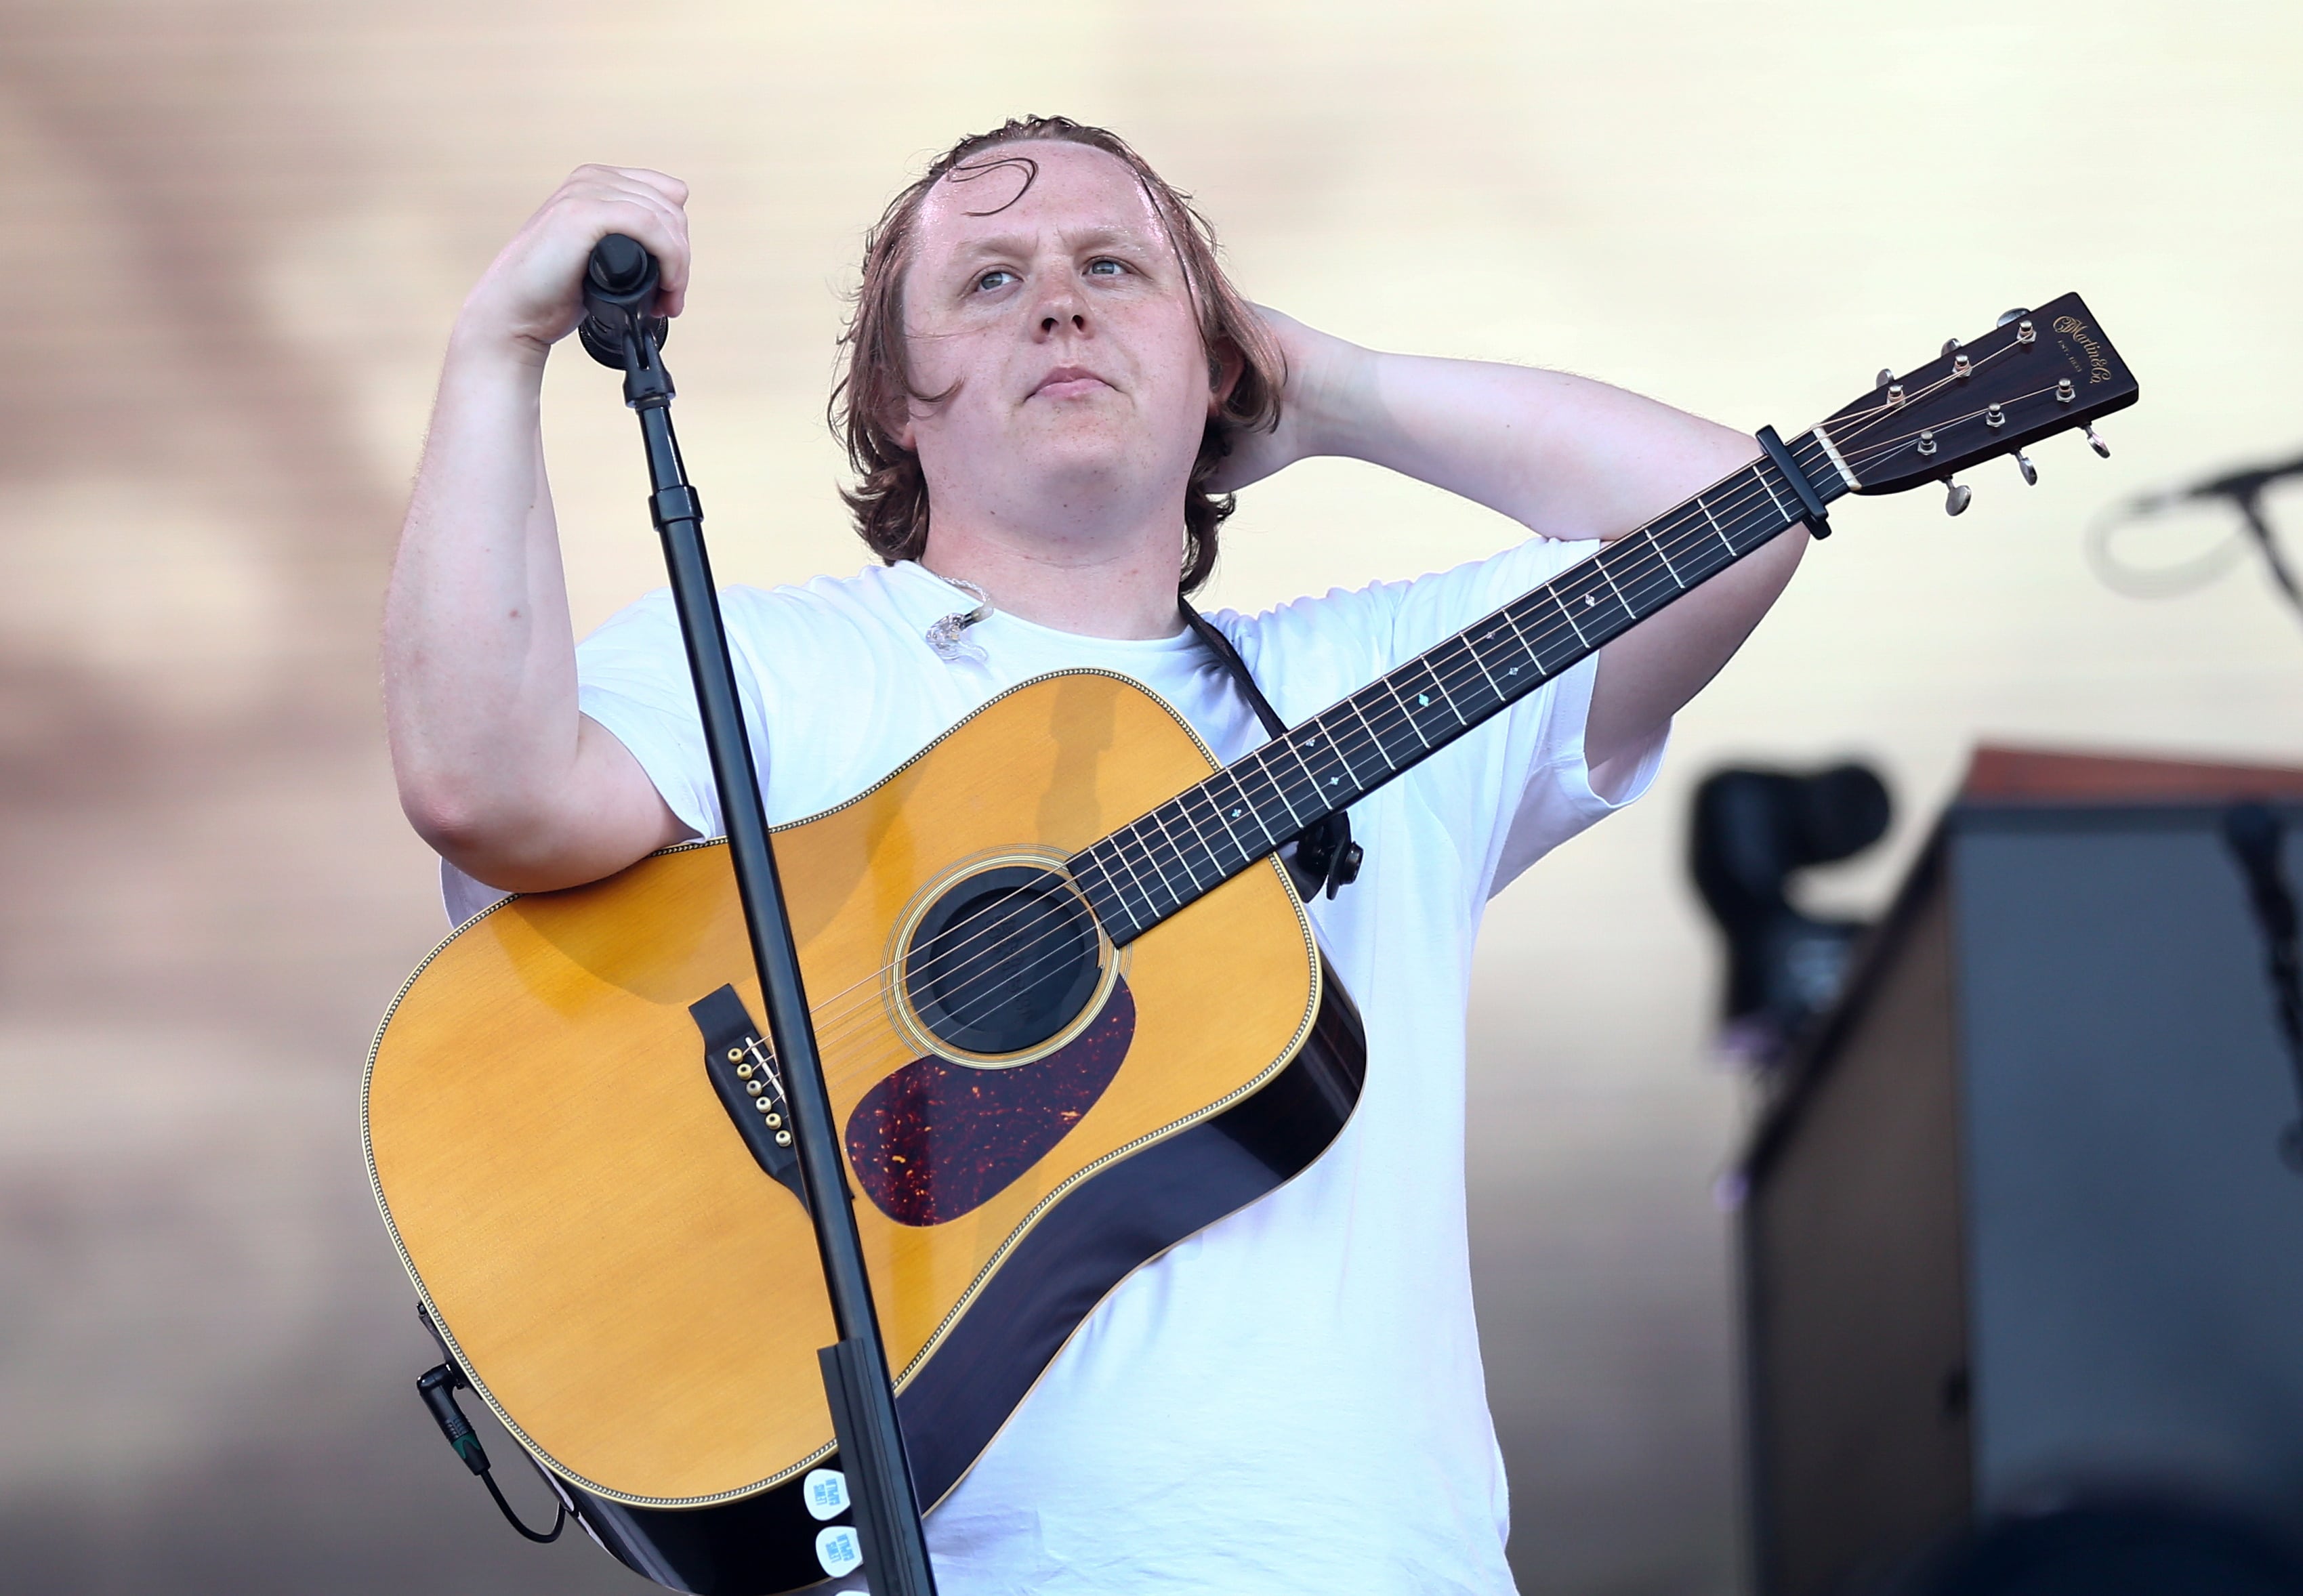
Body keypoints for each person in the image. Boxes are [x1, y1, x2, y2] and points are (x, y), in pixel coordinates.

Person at [383, 116, 1805, 1593]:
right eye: (988, 281)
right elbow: (483, 781)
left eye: (1113, 268)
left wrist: (1320, 389)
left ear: (1214, 366)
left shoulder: (1357, 684)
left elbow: (1734, 520)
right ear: (893, 395)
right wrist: (500, 342)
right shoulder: (778, 664)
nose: (1058, 301)